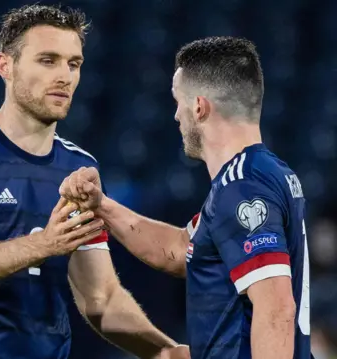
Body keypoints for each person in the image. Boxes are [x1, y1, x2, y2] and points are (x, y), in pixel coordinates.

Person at [0, 4, 188, 359]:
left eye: (74, 64)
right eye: (47, 60)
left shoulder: (78, 167)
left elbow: (100, 297)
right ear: (4, 66)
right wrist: (45, 244)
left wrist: (164, 351)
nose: (65, 76)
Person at [60, 36, 313, 359]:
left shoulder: (243, 187)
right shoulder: (263, 173)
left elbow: (276, 309)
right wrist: (103, 206)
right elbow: (181, 250)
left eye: (177, 100)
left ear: (199, 106)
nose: (176, 115)